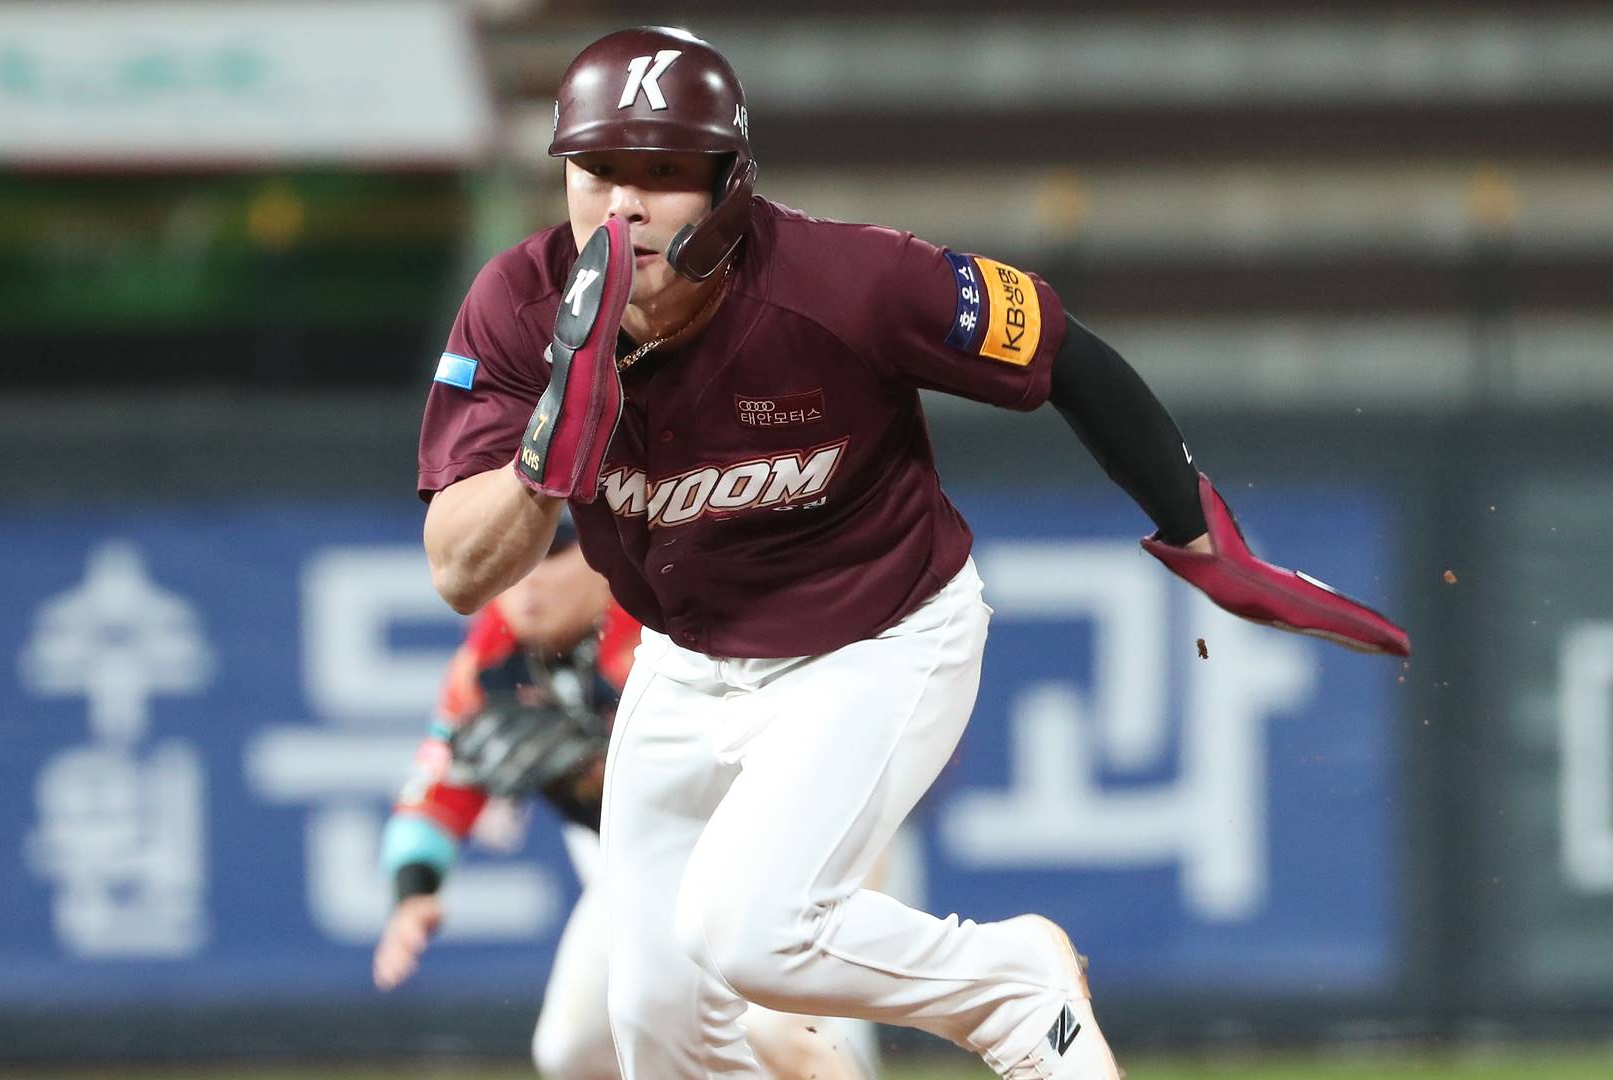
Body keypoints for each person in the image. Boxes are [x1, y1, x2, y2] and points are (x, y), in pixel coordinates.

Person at [417, 25, 1410, 1080]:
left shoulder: (848, 282)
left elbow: (1059, 347)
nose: (623, 204)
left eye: (664, 171)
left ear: (730, 188)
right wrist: (545, 457)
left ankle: (1011, 982)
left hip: (875, 638)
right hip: (686, 660)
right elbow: (458, 569)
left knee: (747, 927)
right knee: (649, 1023)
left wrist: (1200, 529)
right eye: (598, 169)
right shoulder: (519, 310)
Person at [374, 522, 878, 1080]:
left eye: (553, 553)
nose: (528, 580)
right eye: (513, 561)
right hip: (639, 866)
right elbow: (435, 791)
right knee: (573, 1051)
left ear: (599, 559)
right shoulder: (491, 666)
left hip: (779, 844)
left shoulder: (671, 618)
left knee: (780, 1031)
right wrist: (414, 892)